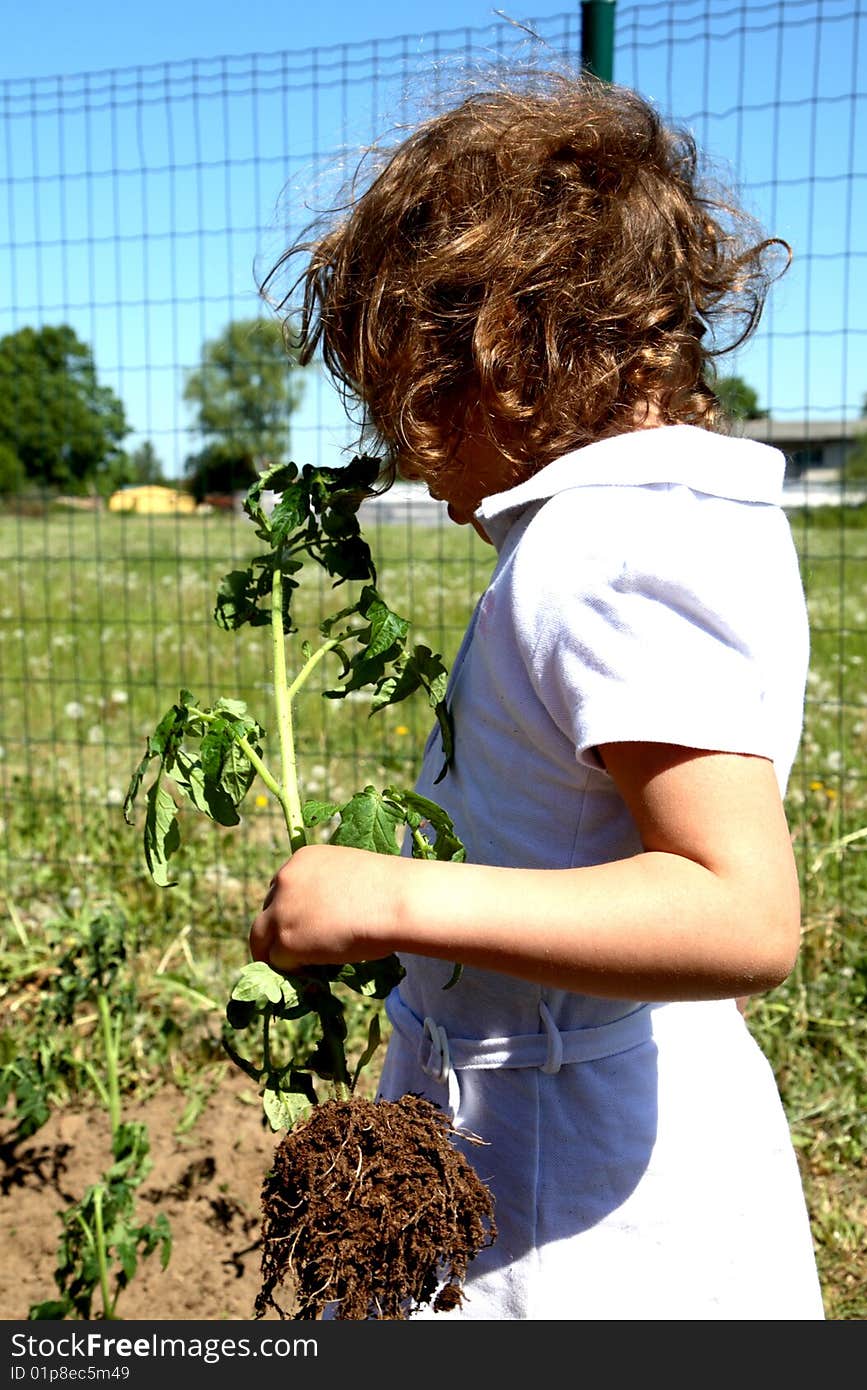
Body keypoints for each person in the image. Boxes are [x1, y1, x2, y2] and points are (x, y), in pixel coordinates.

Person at [250, 71, 825, 1320]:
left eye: (401, 393)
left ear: (502, 348)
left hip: (583, 1206)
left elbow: (740, 914)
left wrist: (390, 895)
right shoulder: (659, 524)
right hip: (586, 1100)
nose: (397, 444)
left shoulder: (608, 551)